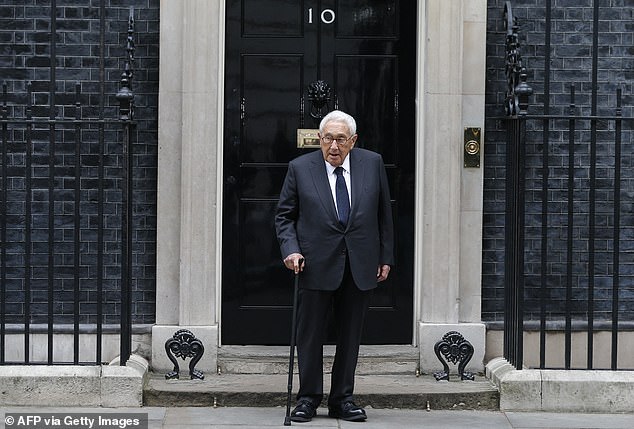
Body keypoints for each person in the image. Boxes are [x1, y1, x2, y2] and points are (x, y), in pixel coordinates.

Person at [275, 110, 394, 422]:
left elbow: (385, 215)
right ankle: (308, 399)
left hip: (360, 262)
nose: (334, 146)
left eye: (341, 139)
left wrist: (386, 256)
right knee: (310, 336)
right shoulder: (300, 168)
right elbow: (284, 216)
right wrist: (291, 250)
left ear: (353, 141)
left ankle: (342, 399)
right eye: (328, 138)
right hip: (313, 264)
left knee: (350, 335)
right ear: (319, 139)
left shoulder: (372, 163)